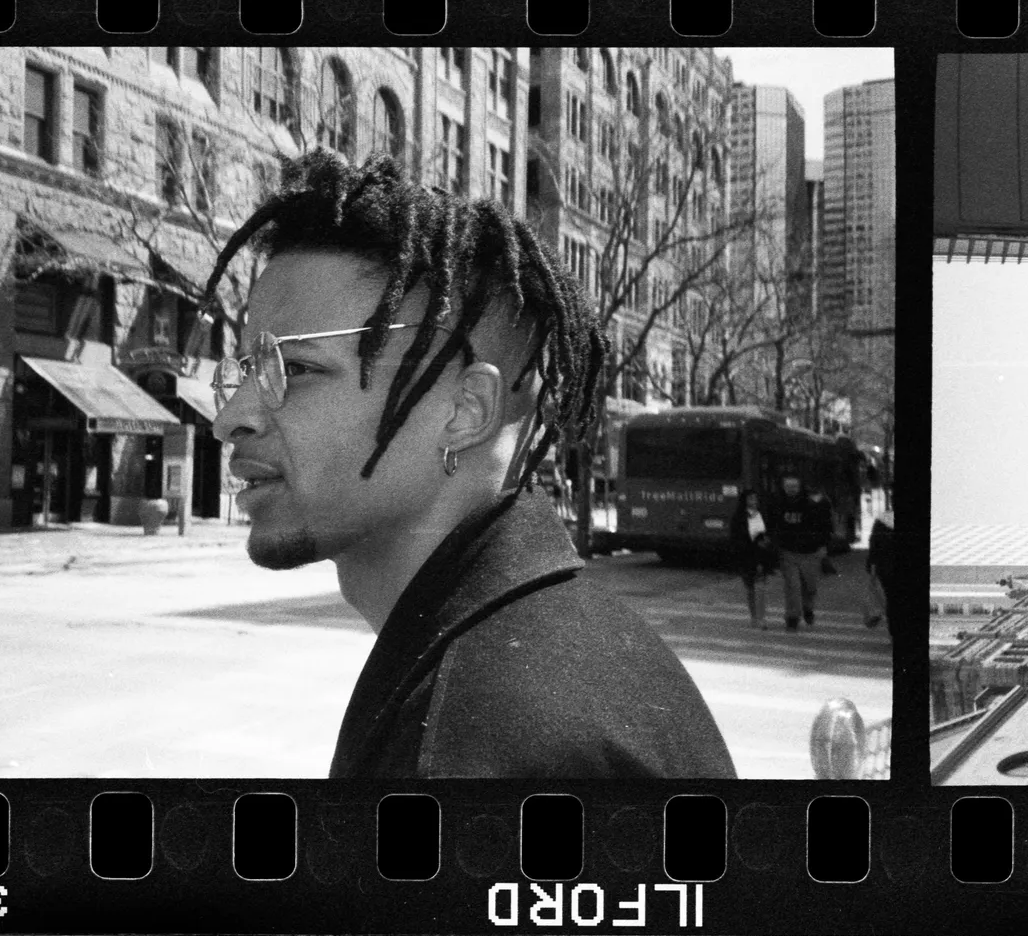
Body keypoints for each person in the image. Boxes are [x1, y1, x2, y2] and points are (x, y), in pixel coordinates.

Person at [201, 151, 737, 779]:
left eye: (295, 368)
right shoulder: (561, 641)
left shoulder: (481, 746)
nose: (230, 416)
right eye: (241, 371)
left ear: (465, 410)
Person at [769, 471, 832, 631]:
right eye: (788, 486)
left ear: (800, 486)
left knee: (810, 587)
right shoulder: (777, 503)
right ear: (783, 487)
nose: (791, 489)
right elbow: (772, 525)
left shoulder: (812, 503)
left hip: (811, 552)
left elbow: (824, 525)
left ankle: (808, 608)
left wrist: (823, 545)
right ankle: (792, 618)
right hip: (788, 552)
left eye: (794, 486)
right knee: (793, 587)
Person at [729, 489, 775, 629]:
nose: (754, 502)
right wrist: (753, 542)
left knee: (760, 588)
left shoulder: (763, 515)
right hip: (746, 558)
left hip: (761, 557)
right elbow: (736, 539)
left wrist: (767, 542)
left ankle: (761, 619)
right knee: (750, 590)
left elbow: (770, 532)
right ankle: (754, 616)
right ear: (745, 501)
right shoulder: (738, 518)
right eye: (750, 499)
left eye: (755, 499)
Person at [864, 500, 894, 636]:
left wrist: (871, 564)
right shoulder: (882, 520)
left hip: (886, 567)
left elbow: (874, 542)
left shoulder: (882, 520)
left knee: (890, 598)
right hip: (887, 566)